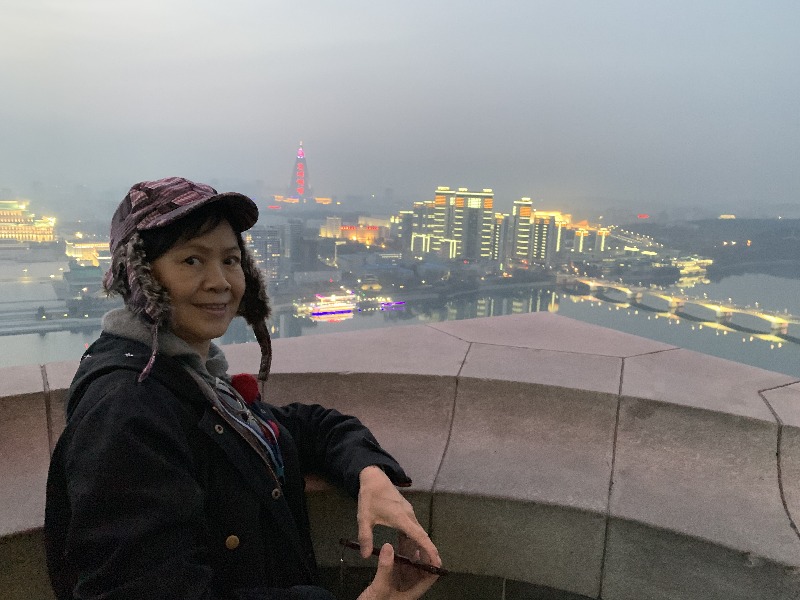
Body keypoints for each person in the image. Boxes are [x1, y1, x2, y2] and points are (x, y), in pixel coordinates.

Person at [44, 177, 442, 600]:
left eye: (231, 260)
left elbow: (303, 427)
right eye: (192, 260)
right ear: (139, 276)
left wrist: (369, 474)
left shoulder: (194, 381)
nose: (220, 281)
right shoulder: (127, 409)